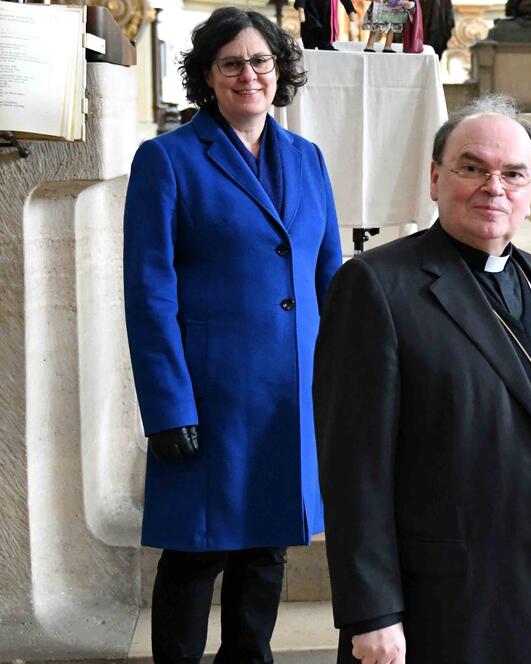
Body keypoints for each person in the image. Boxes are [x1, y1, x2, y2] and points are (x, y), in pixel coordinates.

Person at [313, 95, 531, 664]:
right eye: (472, 168)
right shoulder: (376, 286)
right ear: (435, 178)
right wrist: (373, 611)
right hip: (453, 603)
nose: (493, 187)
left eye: (512, 174)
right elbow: (354, 469)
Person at [123, 8, 342, 662]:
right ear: (208, 76)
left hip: (289, 392)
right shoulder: (167, 160)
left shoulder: (307, 159)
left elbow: (330, 277)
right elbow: (148, 291)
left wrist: (341, 382)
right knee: (198, 550)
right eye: (232, 63)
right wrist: (167, 406)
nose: (249, 75)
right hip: (209, 395)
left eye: (260, 62)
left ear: (280, 71)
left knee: (267, 547)